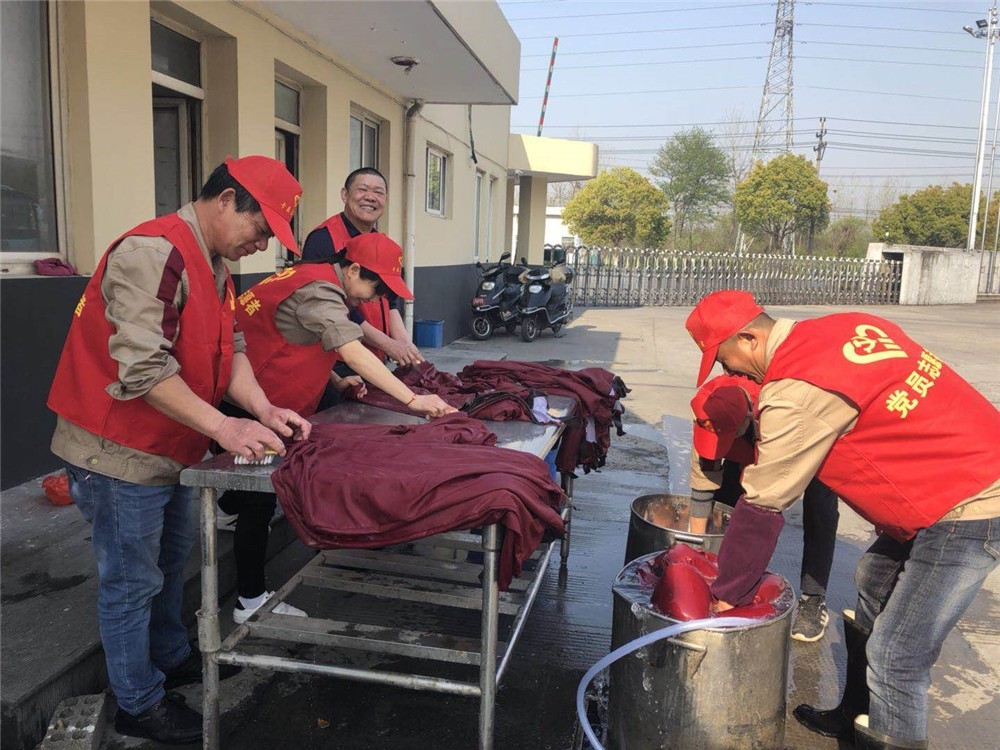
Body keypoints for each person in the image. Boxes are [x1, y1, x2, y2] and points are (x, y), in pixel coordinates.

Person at [47, 156, 314, 744]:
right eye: (260, 229)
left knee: (170, 564)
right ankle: (137, 703)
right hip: (117, 449)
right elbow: (142, 368)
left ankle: (169, 657)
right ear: (226, 200)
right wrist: (226, 429)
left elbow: (231, 346)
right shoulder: (152, 252)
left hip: (170, 444)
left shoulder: (214, 264)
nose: (262, 244)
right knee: (131, 581)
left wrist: (263, 409)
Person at [685, 290, 1000, 750]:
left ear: (749, 338)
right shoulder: (843, 326)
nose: (730, 372)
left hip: (970, 504)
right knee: (873, 576)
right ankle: (856, 716)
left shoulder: (796, 387)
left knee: (897, 655)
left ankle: (889, 731)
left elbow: (765, 503)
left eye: (724, 359)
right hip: (950, 476)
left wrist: (729, 594)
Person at [220, 231, 455, 623]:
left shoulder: (311, 278)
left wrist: (335, 379)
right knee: (258, 501)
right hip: (249, 399)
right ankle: (250, 602)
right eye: (375, 288)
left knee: (249, 491)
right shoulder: (320, 291)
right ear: (354, 269)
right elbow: (351, 350)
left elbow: (295, 336)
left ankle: (226, 507)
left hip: (258, 393)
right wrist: (413, 400)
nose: (375, 299)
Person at [688, 374, 840, 642]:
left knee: (819, 506)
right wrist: (696, 556)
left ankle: (813, 599)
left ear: (747, 419)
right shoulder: (708, 405)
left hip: (808, 433)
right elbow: (703, 485)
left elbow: (766, 508)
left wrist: (734, 589)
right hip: (749, 434)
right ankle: (723, 576)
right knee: (726, 500)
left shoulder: (777, 410)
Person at [301, 167, 422, 370]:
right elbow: (334, 308)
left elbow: (390, 302)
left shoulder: (381, 243)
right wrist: (388, 344)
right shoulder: (323, 238)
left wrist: (405, 345)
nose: (371, 197)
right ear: (344, 194)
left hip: (375, 358)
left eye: (378, 192)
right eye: (363, 189)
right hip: (338, 361)